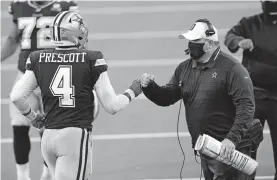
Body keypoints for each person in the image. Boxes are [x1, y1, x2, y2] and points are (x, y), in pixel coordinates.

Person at [10, 11, 142, 180]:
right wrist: (132, 91)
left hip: (48, 138)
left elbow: (16, 96)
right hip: (74, 136)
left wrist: (33, 117)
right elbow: (112, 106)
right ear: (73, 33)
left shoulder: (38, 58)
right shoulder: (92, 59)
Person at [140, 18, 256, 180]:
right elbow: (167, 97)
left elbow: (246, 107)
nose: (190, 45)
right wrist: (150, 87)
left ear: (209, 44)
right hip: (206, 149)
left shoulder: (232, 69)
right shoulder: (185, 68)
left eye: (195, 41)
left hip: (231, 151)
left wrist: (232, 139)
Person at [0, 1, 82, 180]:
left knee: (50, 130)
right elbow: (14, 38)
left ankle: (48, 173)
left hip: (53, 76)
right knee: (19, 126)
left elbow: (78, 40)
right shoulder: (19, 5)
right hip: (25, 73)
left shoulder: (65, 5)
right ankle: (22, 176)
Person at [224, 1, 277, 179]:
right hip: (254, 96)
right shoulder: (250, 23)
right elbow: (230, 37)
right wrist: (240, 41)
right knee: (246, 146)